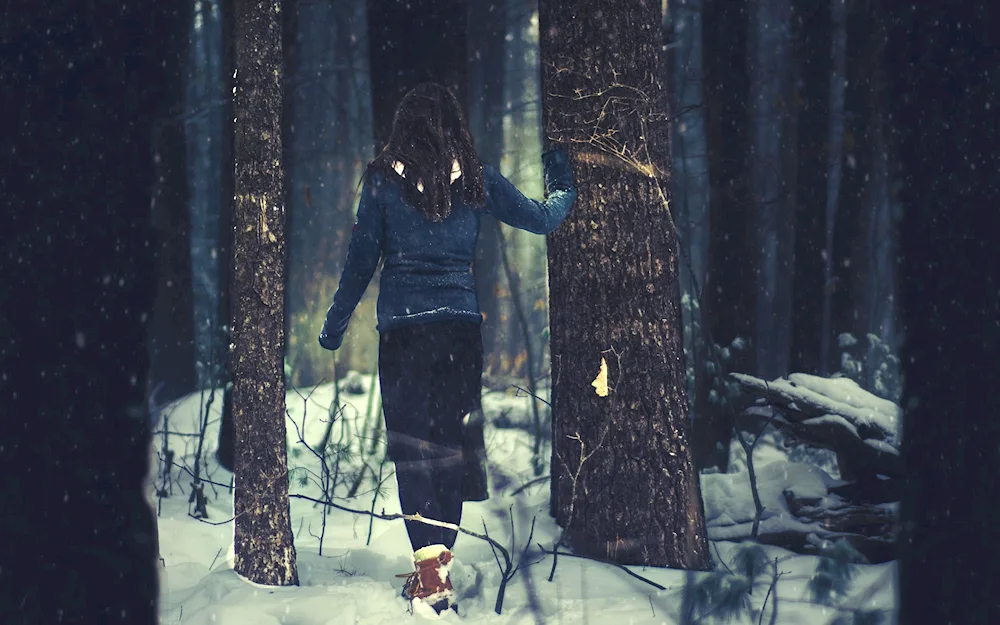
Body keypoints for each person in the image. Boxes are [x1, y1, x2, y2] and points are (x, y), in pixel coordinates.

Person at [318, 82, 577, 615]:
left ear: (402, 127)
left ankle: (432, 580)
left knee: (415, 451)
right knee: (451, 450)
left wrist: (334, 326)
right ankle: (437, 575)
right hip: (460, 331)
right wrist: (562, 173)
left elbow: (360, 261)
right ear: (455, 126)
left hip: (405, 331)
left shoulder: (383, 184)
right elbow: (544, 217)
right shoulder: (476, 181)